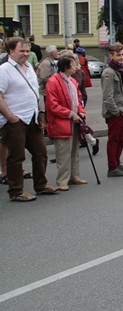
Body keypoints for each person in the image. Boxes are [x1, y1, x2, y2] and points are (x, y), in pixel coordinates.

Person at [0, 37, 59, 201]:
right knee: (16, 157)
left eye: (28, 51)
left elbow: (35, 91)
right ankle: (16, 191)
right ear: (11, 51)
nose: (26, 54)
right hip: (16, 120)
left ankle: (40, 185)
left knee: (41, 152)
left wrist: (40, 112)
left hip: (32, 118)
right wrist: (10, 117)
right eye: (22, 51)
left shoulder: (28, 67)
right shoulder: (4, 70)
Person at [45, 55, 87, 190]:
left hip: (74, 120)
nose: (76, 67)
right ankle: (62, 180)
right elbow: (52, 105)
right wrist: (70, 113)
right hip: (61, 122)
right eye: (74, 65)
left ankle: (74, 175)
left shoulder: (72, 81)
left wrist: (80, 110)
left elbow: (78, 99)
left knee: (74, 150)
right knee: (63, 152)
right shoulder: (53, 81)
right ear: (66, 67)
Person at [101, 43, 123, 177]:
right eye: (118, 55)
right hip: (115, 112)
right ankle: (112, 167)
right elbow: (108, 96)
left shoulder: (118, 70)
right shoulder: (108, 72)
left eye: (122, 55)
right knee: (114, 140)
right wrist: (116, 111)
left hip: (121, 110)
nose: (121, 58)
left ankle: (117, 162)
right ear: (111, 56)